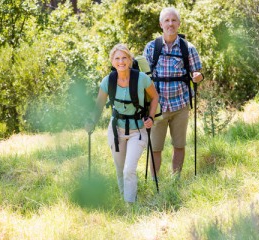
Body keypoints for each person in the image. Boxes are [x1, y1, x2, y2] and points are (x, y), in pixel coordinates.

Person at [86, 43, 159, 203]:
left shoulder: (142, 79)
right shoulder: (108, 81)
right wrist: (92, 121)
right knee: (120, 170)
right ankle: (124, 198)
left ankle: (130, 205)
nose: (121, 61)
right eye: (117, 58)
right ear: (112, 61)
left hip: (138, 130)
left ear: (130, 59)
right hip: (116, 130)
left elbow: (155, 97)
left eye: (124, 57)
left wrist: (151, 117)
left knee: (128, 170)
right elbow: (99, 105)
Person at [143, 7, 203, 178]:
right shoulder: (151, 47)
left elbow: (196, 73)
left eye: (174, 20)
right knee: (155, 148)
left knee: (179, 145)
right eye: (167, 21)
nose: (170, 24)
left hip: (180, 105)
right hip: (157, 107)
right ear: (161, 24)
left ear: (179, 24)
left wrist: (198, 77)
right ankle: (155, 182)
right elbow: (144, 77)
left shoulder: (188, 48)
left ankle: (175, 180)